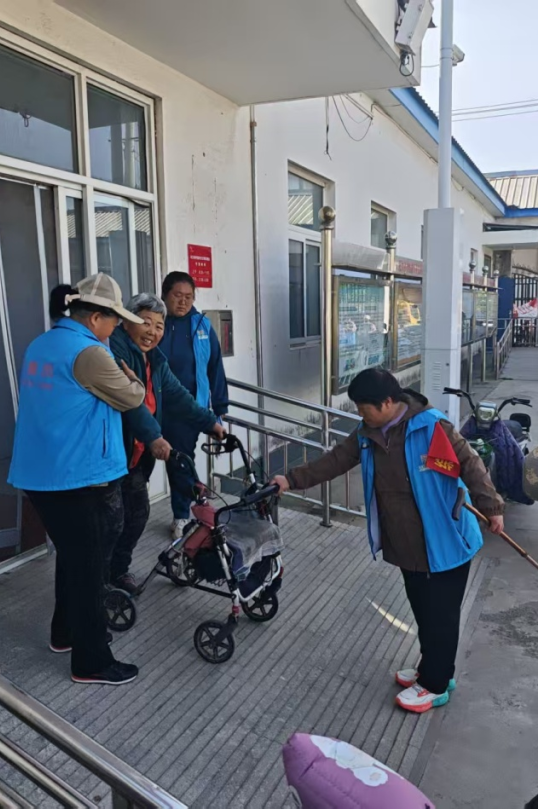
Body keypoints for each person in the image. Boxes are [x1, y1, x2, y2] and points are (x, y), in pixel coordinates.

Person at [272, 369, 505, 714]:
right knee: (423, 610)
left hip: (444, 538)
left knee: (440, 616)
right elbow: (335, 460)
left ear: (387, 402)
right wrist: (291, 479)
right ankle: (433, 668)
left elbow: (470, 464)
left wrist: (492, 507)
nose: (359, 414)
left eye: (363, 408)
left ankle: (436, 685)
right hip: (405, 542)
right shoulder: (367, 434)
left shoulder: (431, 426)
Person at [9, 274, 146, 686]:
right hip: (75, 477)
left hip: (44, 474)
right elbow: (132, 397)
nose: (117, 327)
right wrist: (131, 375)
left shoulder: (42, 343)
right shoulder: (89, 353)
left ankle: (64, 633)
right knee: (88, 569)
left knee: (73, 558)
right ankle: (91, 661)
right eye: (114, 319)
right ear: (95, 317)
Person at [108, 292, 226, 593]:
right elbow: (131, 405)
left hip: (137, 454)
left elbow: (178, 396)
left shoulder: (154, 359)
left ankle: (114, 572)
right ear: (126, 321)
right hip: (114, 453)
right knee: (120, 520)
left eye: (159, 326)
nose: (152, 331)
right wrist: (155, 437)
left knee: (132, 516)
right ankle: (108, 577)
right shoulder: (114, 353)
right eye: (145, 322)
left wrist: (210, 422)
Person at [159, 271, 229, 538]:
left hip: (187, 409)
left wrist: (219, 409)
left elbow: (215, 368)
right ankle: (198, 494)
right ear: (165, 295)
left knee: (180, 460)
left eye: (188, 297)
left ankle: (181, 515)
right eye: (177, 295)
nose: (183, 302)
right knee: (159, 462)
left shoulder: (201, 326)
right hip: (154, 407)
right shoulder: (155, 322)